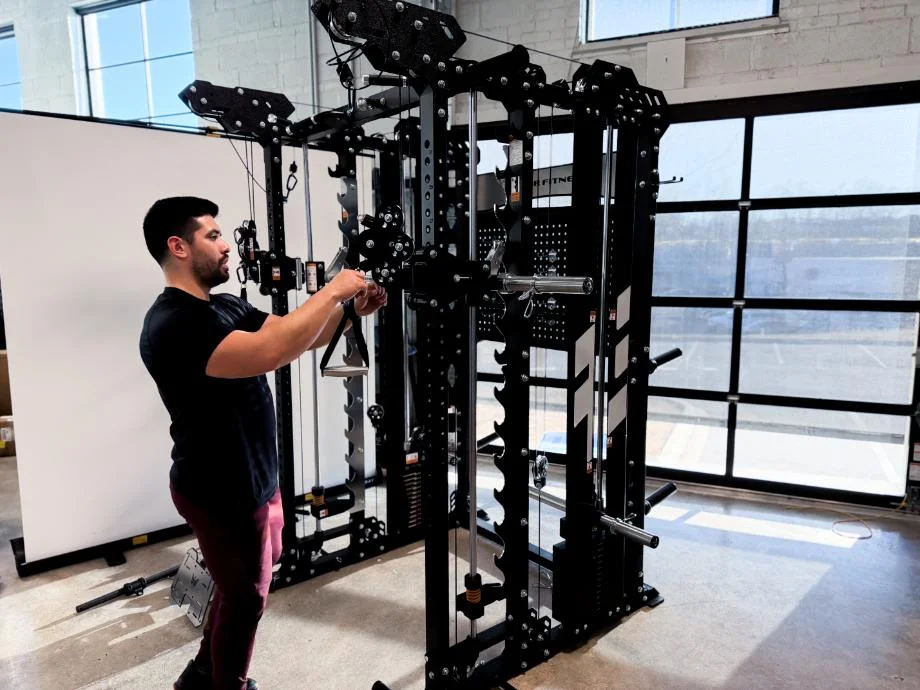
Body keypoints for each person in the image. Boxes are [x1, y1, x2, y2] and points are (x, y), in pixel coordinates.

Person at [138, 197, 385, 690]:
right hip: (219, 488)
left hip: (254, 476)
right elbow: (274, 351)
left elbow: (295, 334)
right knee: (247, 598)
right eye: (212, 235)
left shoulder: (222, 305)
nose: (226, 244)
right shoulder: (173, 325)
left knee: (242, 587)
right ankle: (228, 682)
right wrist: (334, 290)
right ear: (177, 246)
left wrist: (350, 312)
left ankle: (204, 674)